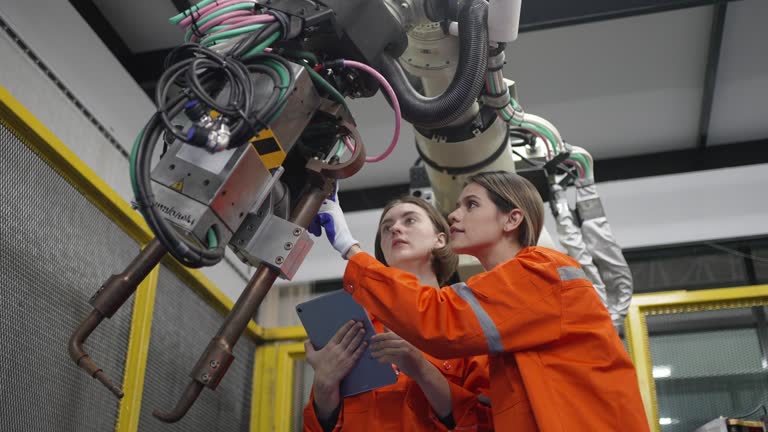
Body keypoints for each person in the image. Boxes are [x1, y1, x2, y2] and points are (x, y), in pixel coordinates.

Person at [314, 171, 650, 431]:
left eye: (470, 205)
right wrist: (324, 386)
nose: (455, 215)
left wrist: (349, 247)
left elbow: (440, 322)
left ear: (512, 219)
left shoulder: (541, 271)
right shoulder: (496, 322)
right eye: (457, 206)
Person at [303, 196, 493, 431]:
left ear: (440, 239)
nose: (395, 228)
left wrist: (422, 370)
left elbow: (488, 422)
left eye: (410, 220)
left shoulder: (466, 321)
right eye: (386, 227)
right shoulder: (354, 331)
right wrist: (324, 384)